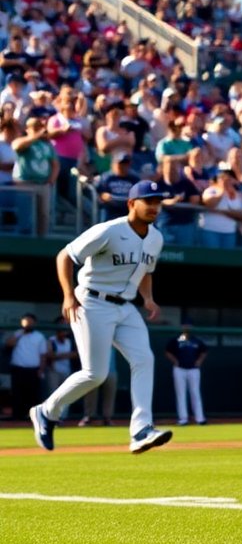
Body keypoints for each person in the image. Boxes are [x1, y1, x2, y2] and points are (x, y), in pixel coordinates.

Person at [29, 180, 173, 454]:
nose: (154, 206)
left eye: (157, 201)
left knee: (144, 359)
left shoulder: (156, 237)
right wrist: (68, 295)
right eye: (149, 201)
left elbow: (147, 270)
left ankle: (141, 430)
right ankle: (46, 411)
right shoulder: (108, 230)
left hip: (126, 307)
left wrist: (149, 298)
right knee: (95, 374)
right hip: (92, 302)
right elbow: (65, 256)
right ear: (131, 203)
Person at [164, 319, 208, 426]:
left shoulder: (196, 340)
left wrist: (199, 361)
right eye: (185, 325)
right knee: (181, 394)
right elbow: (168, 351)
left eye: (189, 326)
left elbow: (204, 351)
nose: (187, 328)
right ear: (182, 327)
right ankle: (183, 419)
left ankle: (199, 418)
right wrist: (175, 361)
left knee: (195, 393)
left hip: (193, 369)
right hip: (180, 369)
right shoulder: (178, 339)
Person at [6, 313, 46, 421]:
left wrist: (41, 370)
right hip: (18, 369)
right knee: (17, 394)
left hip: (33, 370)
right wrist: (20, 334)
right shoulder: (17, 333)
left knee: (32, 395)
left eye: (30, 321)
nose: (28, 324)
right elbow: (9, 344)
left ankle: (32, 417)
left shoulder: (39, 336)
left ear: (34, 323)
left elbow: (43, 355)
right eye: (25, 321)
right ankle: (17, 416)